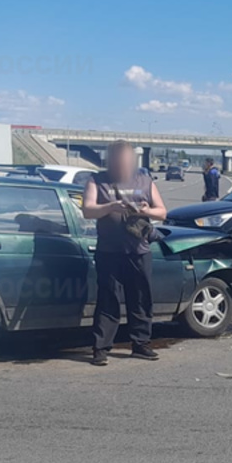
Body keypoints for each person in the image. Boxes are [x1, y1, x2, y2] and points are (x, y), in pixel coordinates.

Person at [82, 141, 168, 366]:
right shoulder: (96, 180)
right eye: (118, 159)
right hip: (109, 252)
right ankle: (100, 349)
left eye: (126, 159)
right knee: (108, 299)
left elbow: (162, 213)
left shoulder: (144, 180)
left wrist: (147, 211)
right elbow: (87, 210)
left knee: (140, 299)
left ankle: (140, 344)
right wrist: (110, 207)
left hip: (139, 251)